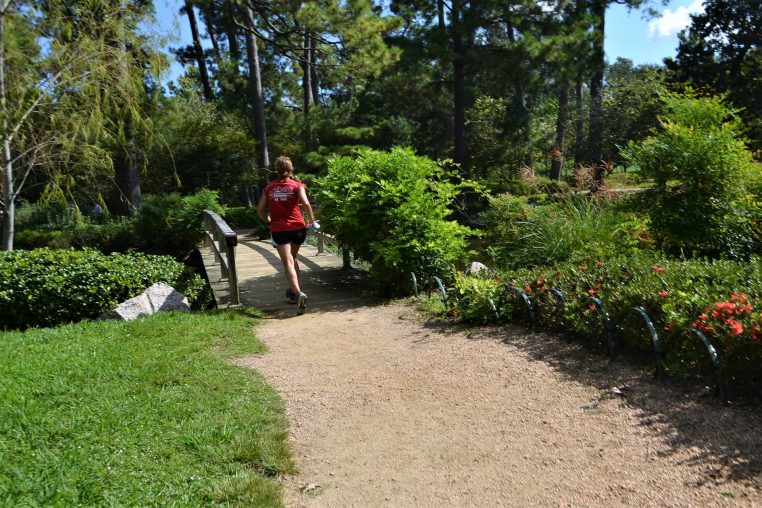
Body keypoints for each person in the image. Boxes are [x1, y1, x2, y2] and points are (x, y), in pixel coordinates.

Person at [257, 156, 315, 315]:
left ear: (276, 169)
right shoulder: (297, 185)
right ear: (291, 169)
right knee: (293, 259)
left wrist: (268, 221)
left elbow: (260, 210)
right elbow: (306, 204)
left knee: (288, 262)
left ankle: (298, 294)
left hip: (279, 229)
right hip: (298, 228)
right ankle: (292, 292)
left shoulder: (269, 187)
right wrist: (311, 221)